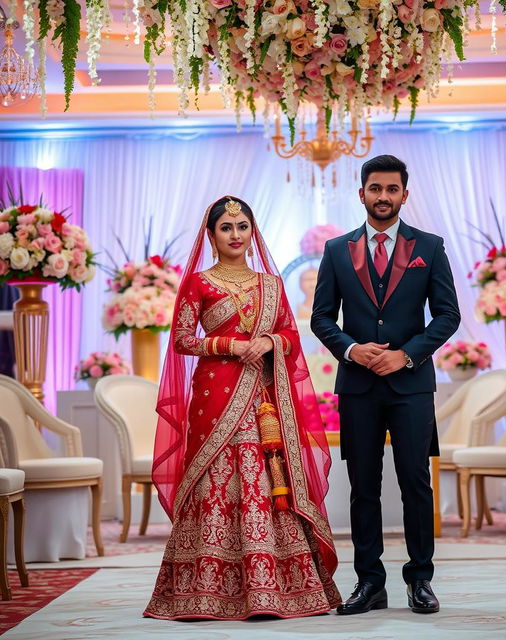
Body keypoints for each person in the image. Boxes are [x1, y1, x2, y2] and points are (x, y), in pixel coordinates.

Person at [144, 196, 341, 621]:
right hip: (216, 397)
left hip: (264, 396)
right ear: (211, 235)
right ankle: (204, 592)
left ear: (253, 232)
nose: (236, 235)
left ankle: (279, 589)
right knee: (216, 477)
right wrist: (230, 345)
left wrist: (270, 342)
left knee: (266, 477)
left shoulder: (271, 284)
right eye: (226, 228)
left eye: (242, 226)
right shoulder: (198, 282)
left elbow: (290, 332)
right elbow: (182, 340)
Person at [311, 155, 460, 615]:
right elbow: (321, 318)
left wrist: (407, 353)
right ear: (361, 194)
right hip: (358, 386)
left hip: (412, 385)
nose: (383, 197)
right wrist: (353, 350)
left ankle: (420, 580)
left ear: (404, 195)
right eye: (375, 189)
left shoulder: (429, 247)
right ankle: (370, 582)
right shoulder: (337, 250)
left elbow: (449, 315)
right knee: (363, 487)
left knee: (416, 482)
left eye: (391, 189)